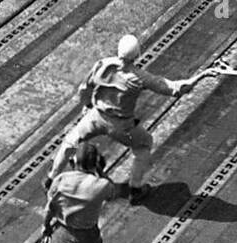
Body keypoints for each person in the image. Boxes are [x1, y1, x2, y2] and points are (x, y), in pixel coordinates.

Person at [50, 34, 201, 202]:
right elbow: (175, 88)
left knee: (70, 142)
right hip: (121, 126)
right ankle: (135, 189)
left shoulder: (103, 65)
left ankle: (52, 177)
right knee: (144, 145)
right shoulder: (139, 77)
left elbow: (84, 89)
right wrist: (203, 75)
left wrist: (87, 105)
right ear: (137, 54)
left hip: (96, 116)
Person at [43, 142, 129, 243]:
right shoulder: (102, 185)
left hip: (63, 230)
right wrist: (100, 171)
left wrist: (46, 226)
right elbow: (113, 193)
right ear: (95, 163)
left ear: (74, 161)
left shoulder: (61, 179)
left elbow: (50, 208)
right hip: (87, 234)